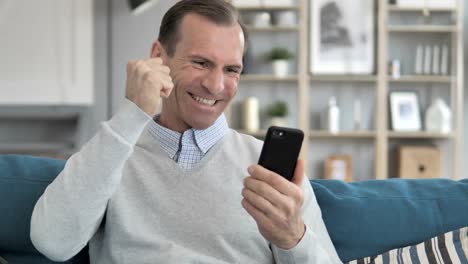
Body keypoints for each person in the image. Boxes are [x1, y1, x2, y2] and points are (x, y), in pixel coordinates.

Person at [30, 0, 342, 263]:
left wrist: (292, 237)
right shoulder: (112, 151)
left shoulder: (267, 168)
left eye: (231, 69)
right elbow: (52, 242)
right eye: (200, 62)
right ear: (158, 57)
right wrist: (132, 114)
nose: (216, 85)